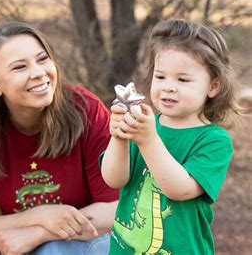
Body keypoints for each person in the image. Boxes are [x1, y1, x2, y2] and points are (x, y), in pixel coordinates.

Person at [0, 22, 119, 255]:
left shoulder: (86, 112)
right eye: (19, 67)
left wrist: (42, 232)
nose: (38, 72)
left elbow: (115, 209)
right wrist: (41, 215)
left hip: (83, 244)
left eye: (42, 59)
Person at [101, 19, 242, 254]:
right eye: (161, 77)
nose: (168, 87)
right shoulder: (144, 126)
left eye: (183, 79)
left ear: (213, 86)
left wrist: (147, 140)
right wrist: (119, 137)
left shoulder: (213, 140)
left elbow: (179, 189)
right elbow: (114, 180)